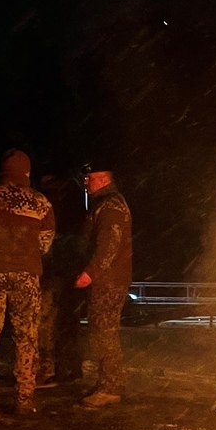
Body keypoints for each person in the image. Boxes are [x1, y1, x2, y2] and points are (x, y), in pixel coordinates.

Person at [0, 148, 55, 418]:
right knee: (26, 337)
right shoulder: (40, 202)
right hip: (26, 274)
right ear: (27, 172)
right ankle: (24, 399)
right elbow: (45, 242)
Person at [75, 164, 132, 407]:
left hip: (107, 281)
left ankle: (110, 388)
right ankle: (107, 383)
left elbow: (109, 245)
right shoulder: (108, 204)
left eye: (89, 178)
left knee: (104, 333)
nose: (85, 182)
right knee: (102, 332)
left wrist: (90, 273)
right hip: (107, 279)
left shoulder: (109, 206)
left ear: (102, 178)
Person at [36, 172, 87, 388]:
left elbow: (46, 239)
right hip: (70, 271)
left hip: (51, 270)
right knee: (68, 322)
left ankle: (47, 371)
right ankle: (70, 368)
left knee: (46, 322)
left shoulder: (47, 199)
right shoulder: (74, 199)